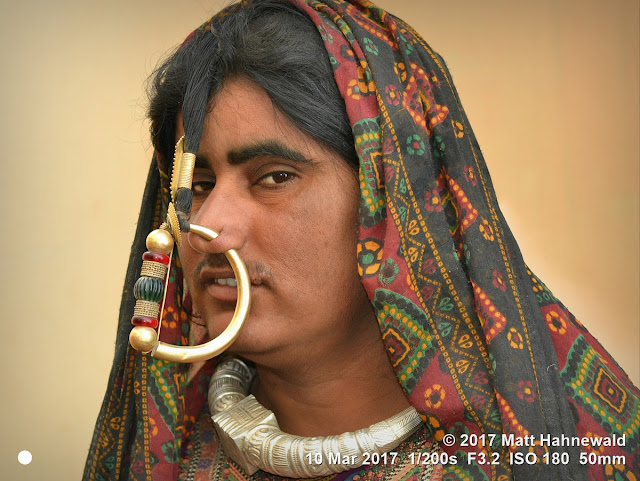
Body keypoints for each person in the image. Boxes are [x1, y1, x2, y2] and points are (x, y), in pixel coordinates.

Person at [84, 1, 639, 480]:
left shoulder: (562, 458)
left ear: (393, 202)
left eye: (274, 176)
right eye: (199, 185)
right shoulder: (156, 461)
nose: (208, 224)